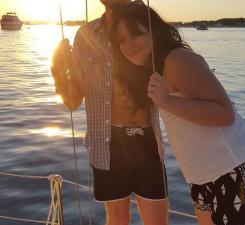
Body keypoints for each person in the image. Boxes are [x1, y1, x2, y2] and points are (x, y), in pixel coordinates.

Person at [110, 1, 245, 225]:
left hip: (240, 171)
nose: (128, 45)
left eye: (135, 34)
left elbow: (226, 114)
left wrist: (167, 102)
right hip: (202, 180)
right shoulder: (153, 69)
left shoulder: (177, 60)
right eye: (121, 40)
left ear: (154, 32)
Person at [50, 1, 169, 225]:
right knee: (117, 219)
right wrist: (57, 68)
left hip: (148, 141)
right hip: (107, 144)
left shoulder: (147, 24)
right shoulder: (86, 35)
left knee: (158, 221)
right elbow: (73, 100)